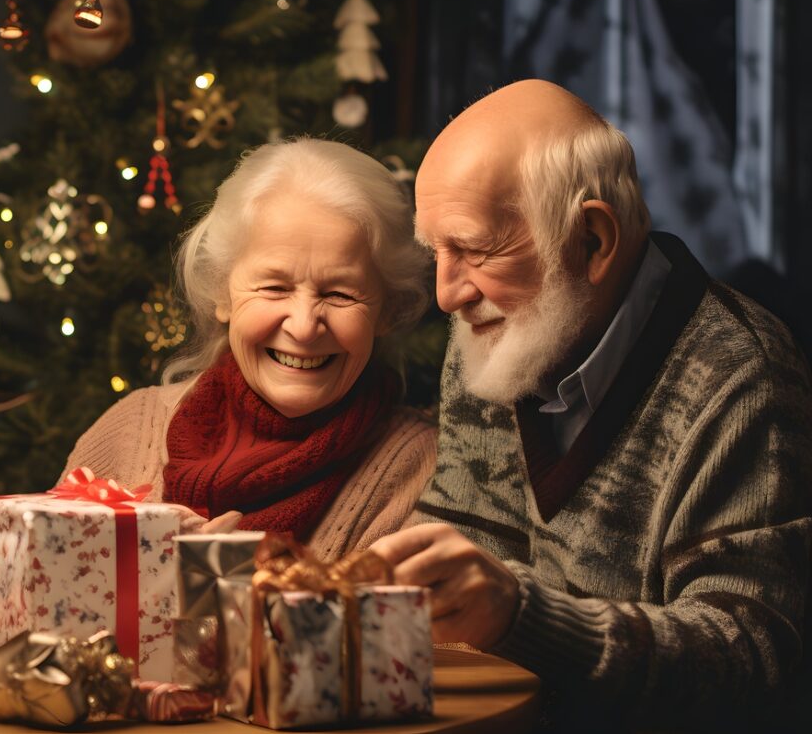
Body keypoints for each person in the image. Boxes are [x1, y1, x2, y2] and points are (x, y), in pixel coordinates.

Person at [371, 80, 812, 729]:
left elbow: (752, 660)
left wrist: (523, 616)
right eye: (438, 252)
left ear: (594, 241)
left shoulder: (744, 378)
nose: (446, 295)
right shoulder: (494, 334)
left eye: (473, 248)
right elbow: (465, 538)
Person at [64, 138, 435, 560]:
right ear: (223, 292)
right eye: (275, 287)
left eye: (340, 293)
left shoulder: (423, 472)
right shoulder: (128, 431)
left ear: (386, 310)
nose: (303, 326)